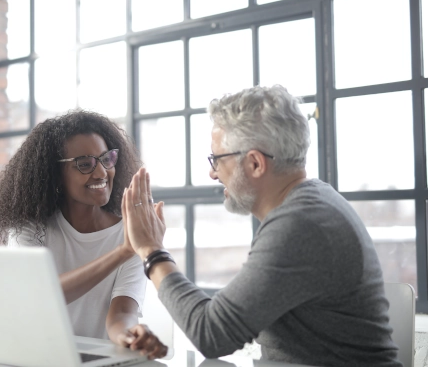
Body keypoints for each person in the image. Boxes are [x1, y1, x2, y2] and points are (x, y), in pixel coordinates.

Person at [121, 85, 402, 366]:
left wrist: (151, 251)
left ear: (255, 163)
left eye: (216, 159)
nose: (212, 173)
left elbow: (211, 334)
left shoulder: (300, 225)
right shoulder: (312, 202)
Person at [0, 110, 167, 359]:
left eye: (106, 159)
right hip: (32, 359)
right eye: (85, 164)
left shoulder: (128, 233)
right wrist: (123, 251)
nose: (101, 172)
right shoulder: (29, 228)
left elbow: (122, 313)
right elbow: (41, 294)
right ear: (55, 175)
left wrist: (130, 335)